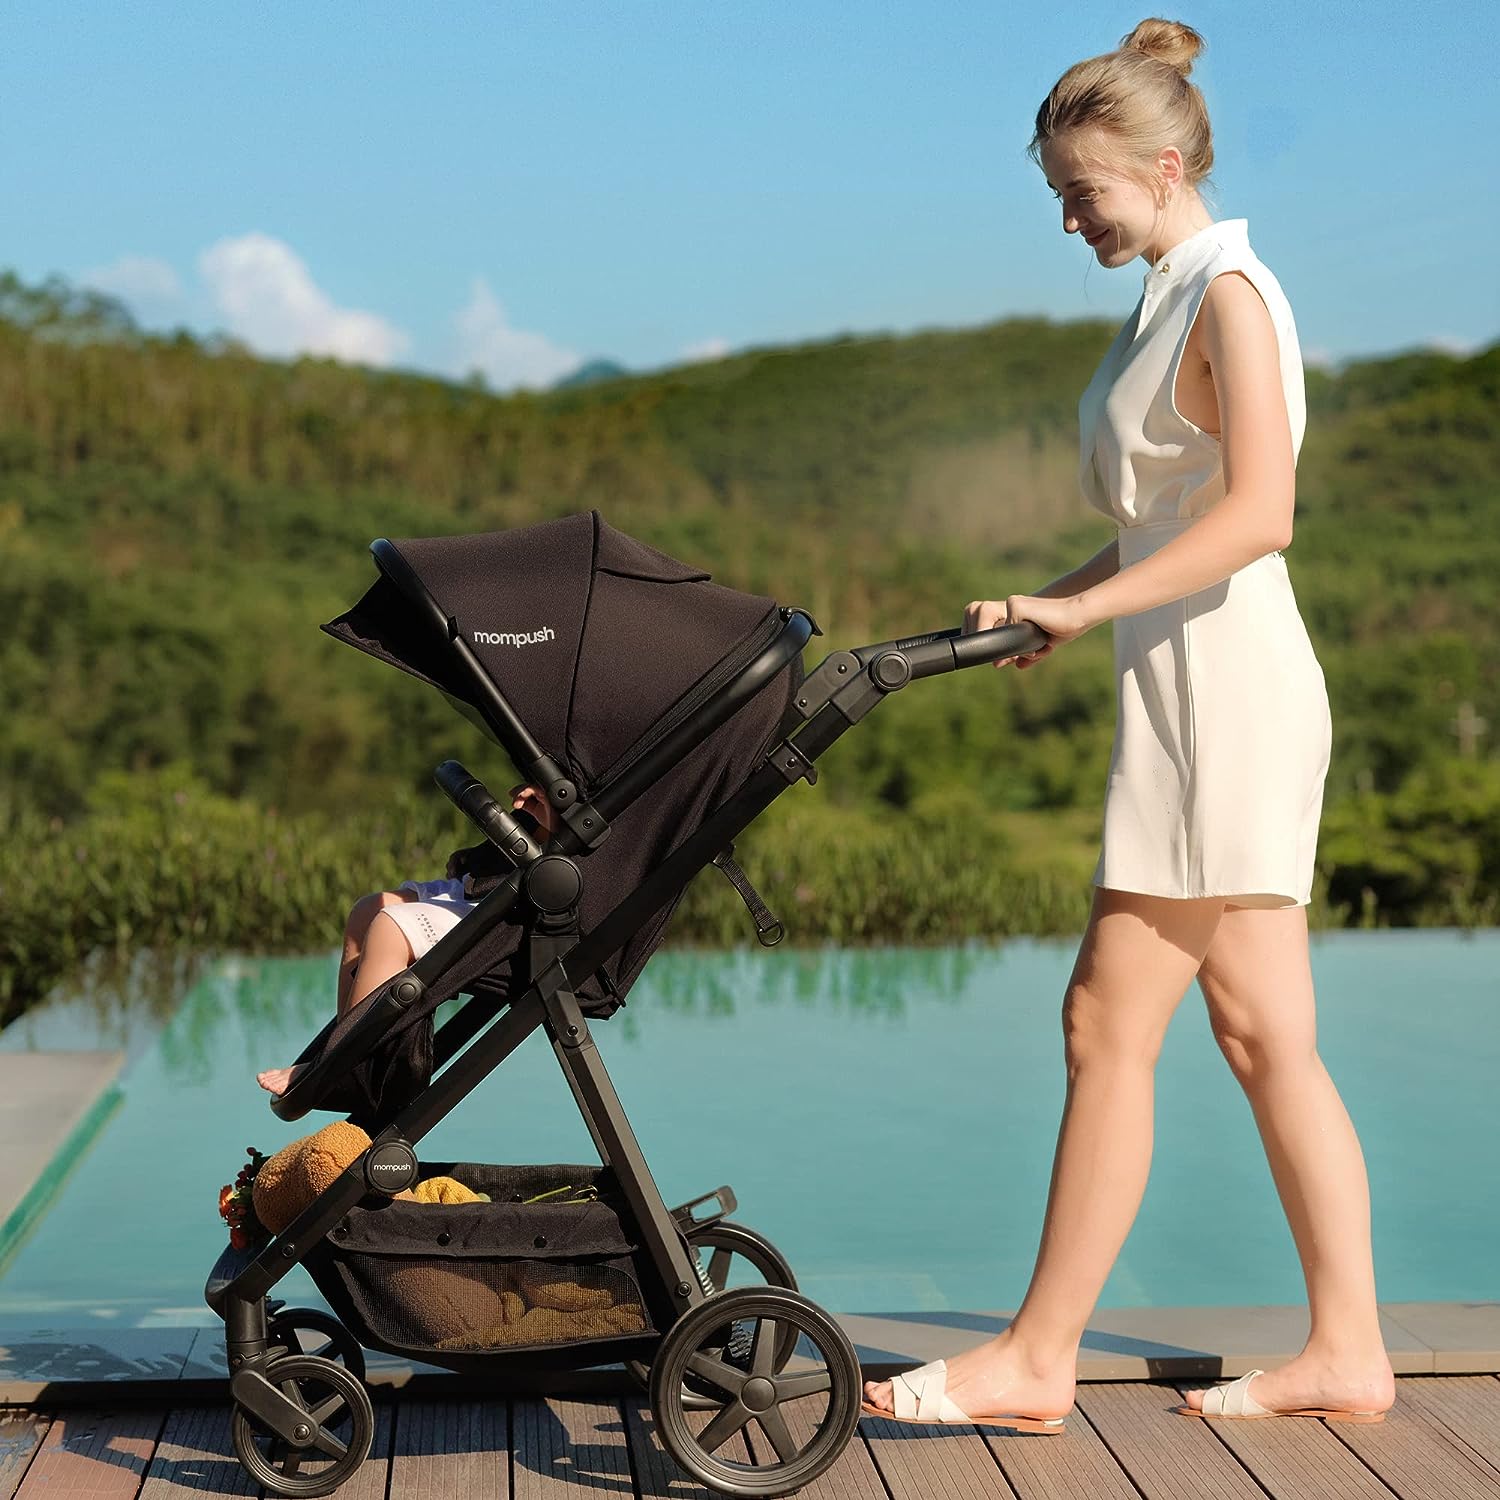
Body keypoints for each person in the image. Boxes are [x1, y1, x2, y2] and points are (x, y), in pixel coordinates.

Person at [861, 18, 1395, 1431]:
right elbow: (1167, 518)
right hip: (1190, 687)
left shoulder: (1233, 294)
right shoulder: (1166, 293)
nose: (1067, 219)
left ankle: (1038, 1358)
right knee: (1265, 1038)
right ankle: (1348, 1351)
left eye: (1080, 191)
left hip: (1226, 695)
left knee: (1106, 1019)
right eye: (1055, 195)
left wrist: (1088, 610)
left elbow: (1261, 515)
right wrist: (1061, 602)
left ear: (1163, 166)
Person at [255, 784, 554, 1097]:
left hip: (531, 910)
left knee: (390, 926)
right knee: (368, 911)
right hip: (501, 882)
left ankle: (342, 1063)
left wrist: (551, 806)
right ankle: (351, 1054)